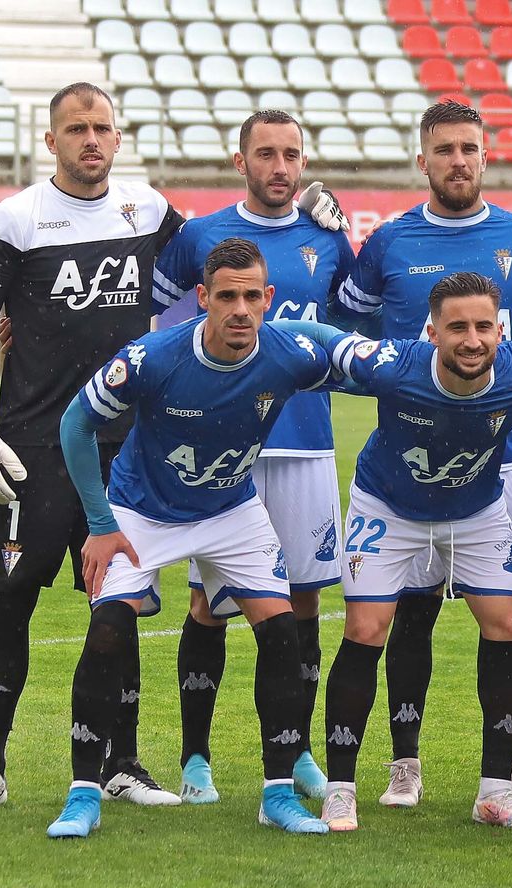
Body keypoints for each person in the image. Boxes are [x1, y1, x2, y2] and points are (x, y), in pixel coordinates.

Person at [329, 100, 512, 809]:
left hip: (500, 461)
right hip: (408, 455)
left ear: (484, 155)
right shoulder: (388, 243)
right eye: (444, 150)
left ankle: (505, 769)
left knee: (500, 616)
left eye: (469, 148)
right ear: (424, 160)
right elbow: (347, 320)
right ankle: (403, 763)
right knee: (409, 612)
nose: (458, 161)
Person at [48, 237, 337, 838]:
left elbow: (363, 360)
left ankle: (277, 793)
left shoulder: (289, 354)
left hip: (231, 509)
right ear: (202, 298)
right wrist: (102, 525)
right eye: (226, 296)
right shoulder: (154, 357)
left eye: (251, 296)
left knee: (282, 634)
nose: (239, 309)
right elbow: (76, 423)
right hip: (141, 509)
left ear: (268, 299)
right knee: (107, 630)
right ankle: (83, 793)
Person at [0, 82, 184, 813]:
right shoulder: (16, 219)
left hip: (124, 449)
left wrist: (300, 207)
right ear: (51, 141)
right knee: (11, 598)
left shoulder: (147, 211)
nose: (91, 139)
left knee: (119, 601)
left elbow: (223, 257)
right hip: (34, 447)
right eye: (76, 128)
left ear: (119, 139)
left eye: (102, 128)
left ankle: (124, 763)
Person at [313, 272, 512, 833]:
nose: (473, 340)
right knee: (366, 628)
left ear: (501, 329)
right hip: (388, 508)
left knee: (507, 624)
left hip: (477, 510)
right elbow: (316, 335)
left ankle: (494, 791)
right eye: (458, 327)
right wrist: (262, 334)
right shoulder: (391, 365)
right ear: (433, 332)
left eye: (484, 327)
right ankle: (341, 788)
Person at [150, 108, 354, 804]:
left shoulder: (326, 238)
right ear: (241, 161)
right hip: (223, 449)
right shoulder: (201, 235)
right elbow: (148, 314)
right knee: (210, 604)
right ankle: (195, 757)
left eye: (292, 154)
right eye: (266, 153)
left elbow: (359, 324)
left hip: (304, 443)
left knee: (299, 604)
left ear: (304, 162)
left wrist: (347, 230)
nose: (280, 167)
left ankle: (293, 754)